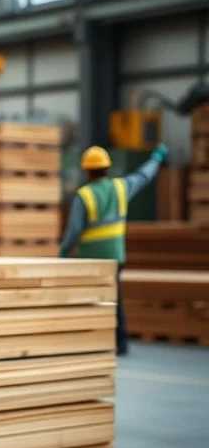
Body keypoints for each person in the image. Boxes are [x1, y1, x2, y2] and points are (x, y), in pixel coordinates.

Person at [59, 143, 168, 356]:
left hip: (90, 260)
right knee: (115, 300)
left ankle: (91, 343)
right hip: (115, 257)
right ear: (107, 168)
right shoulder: (121, 188)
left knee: (89, 302)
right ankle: (121, 343)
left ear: (87, 170)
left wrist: (63, 252)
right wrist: (156, 158)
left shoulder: (85, 195)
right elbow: (143, 176)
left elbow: (74, 229)